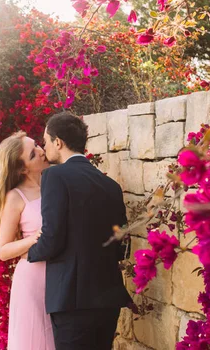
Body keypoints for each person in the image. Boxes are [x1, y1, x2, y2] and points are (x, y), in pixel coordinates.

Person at [28, 111, 132, 350]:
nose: (45, 147)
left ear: (58, 142)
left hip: (72, 300)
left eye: (45, 141)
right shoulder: (111, 186)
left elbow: (52, 237)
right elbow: (122, 245)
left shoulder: (54, 176)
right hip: (108, 297)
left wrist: (30, 254)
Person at [0, 131, 55, 350]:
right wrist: (34, 239)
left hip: (61, 275)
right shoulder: (16, 197)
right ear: (22, 169)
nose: (41, 151)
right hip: (33, 280)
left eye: (37, 145)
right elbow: (4, 250)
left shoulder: (55, 182)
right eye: (33, 154)